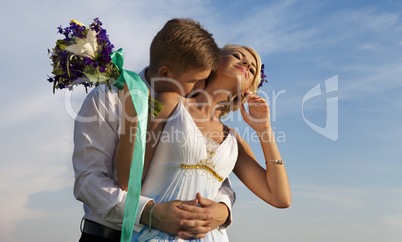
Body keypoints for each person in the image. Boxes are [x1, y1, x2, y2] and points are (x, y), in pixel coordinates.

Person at [73, 18, 236, 242]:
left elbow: (213, 173)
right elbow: (88, 181)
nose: (201, 89)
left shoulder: (191, 107)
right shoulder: (109, 98)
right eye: (196, 81)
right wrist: (149, 213)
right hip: (107, 236)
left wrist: (223, 208)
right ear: (166, 73)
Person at [116, 44, 291, 241]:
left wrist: (264, 130)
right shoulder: (171, 102)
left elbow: (280, 197)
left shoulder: (234, 141)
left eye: (252, 69)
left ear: (246, 92)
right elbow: (129, 179)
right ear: (213, 63)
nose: (246, 64)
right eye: (237, 56)